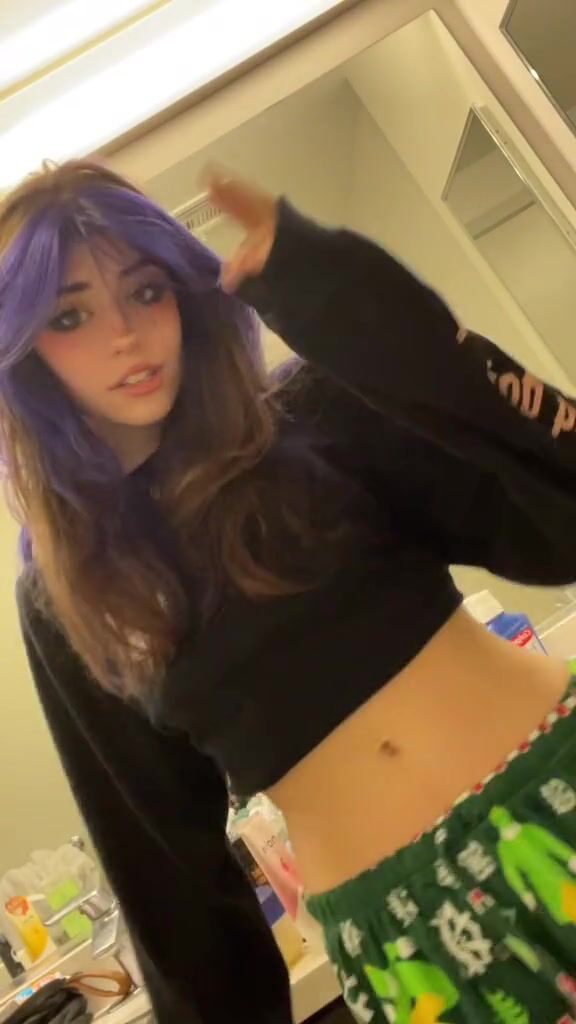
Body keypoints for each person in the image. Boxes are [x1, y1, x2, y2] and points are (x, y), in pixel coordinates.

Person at [2, 160, 576, 1024]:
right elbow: (168, 882)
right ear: (21, 350)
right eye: (70, 315)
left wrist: (347, 297)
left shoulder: (311, 413)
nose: (125, 335)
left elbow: (562, 516)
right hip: (414, 937)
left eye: (147, 292)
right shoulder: (69, 598)